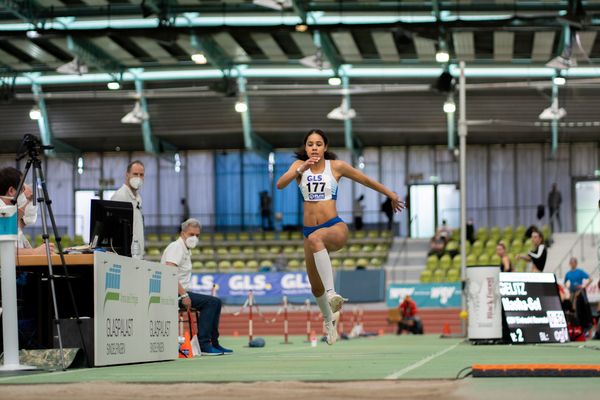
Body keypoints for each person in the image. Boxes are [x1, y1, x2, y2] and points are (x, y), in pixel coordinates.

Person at [276, 129, 405, 345]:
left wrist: (390, 194)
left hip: (334, 227)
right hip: (309, 232)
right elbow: (280, 184)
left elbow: (365, 180)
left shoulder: (335, 167)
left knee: (317, 240)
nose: (314, 147)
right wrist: (301, 168)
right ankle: (329, 320)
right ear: (306, 148)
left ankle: (332, 294)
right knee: (314, 287)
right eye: (310, 144)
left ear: (325, 147)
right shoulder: (298, 167)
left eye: (318, 144)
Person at [161, 218, 232, 355]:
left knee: (216, 302)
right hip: (173, 294)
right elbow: (169, 273)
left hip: (181, 293)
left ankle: (214, 343)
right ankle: (204, 344)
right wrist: (184, 295)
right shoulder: (176, 247)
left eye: (197, 235)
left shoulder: (186, 249)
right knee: (212, 302)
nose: (194, 238)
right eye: (191, 234)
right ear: (183, 233)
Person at [0, 166, 54, 255]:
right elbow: (4, 251)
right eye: (23, 190)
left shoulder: (10, 217)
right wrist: (34, 252)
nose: (26, 195)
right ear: (11, 191)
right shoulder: (3, 214)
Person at [111, 160, 145, 258]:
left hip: (137, 254)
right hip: (126, 256)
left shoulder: (138, 197)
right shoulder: (120, 196)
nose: (138, 178)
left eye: (141, 175)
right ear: (127, 175)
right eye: (135, 174)